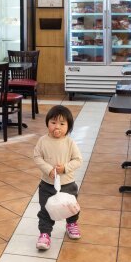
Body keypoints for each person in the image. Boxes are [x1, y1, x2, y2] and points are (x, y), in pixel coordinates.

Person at [33, 105, 82, 250]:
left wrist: (65, 168)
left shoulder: (70, 143)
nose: (57, 127)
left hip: (68, 183)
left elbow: (78, 160)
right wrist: (48, 170)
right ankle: (45, 234)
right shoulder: (43, 141)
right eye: (53, 123)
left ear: (68, 127)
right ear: (47, 123)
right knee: (46, 209)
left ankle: (71, 224)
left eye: (62, 124)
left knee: (71, 207)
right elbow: (37, 157)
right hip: (47, 184)